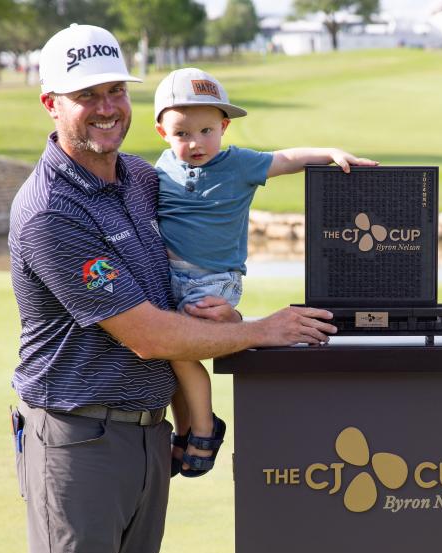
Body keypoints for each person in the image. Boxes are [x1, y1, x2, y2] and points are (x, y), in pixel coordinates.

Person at [8, 24, 336, 553]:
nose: (107, 108)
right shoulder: (51, 210)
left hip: (147, 436)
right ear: (52, 104)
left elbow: (183, 284)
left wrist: (229, 318)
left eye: (115, 91)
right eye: (88, 96)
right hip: (77, 442)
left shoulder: (138, 179)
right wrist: (264, 331)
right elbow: (149, 335)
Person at [150, 67, 377, 476]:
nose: (196, 143)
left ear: (223, 127)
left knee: (178, 347)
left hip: (214, 278)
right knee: (170, 355)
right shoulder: (160, 169)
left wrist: (328, 154)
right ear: (163, 132)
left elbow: (287, 159)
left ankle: (205, 427)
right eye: (182, 134)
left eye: (206, 131)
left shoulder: (240, 165)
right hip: (169, 276)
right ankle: (185, 430)